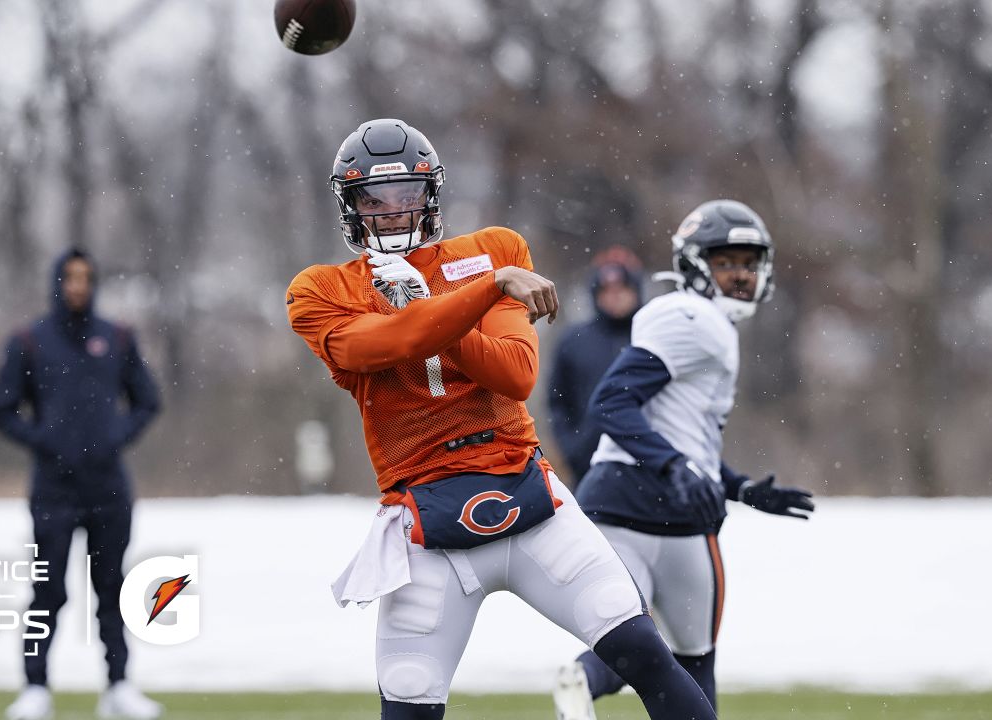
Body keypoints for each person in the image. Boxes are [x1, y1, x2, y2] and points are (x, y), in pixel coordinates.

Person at [286, 118, 716, 720]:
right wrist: (475, 297)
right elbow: (376, 348)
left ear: (431, 193)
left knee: (642, 651)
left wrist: (458, 297)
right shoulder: (321, 288)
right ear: (350, 206)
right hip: (424, 524)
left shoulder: (494, 253)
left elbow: (515, 374)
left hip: (528, 494)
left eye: (407, 195)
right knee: (409, 704)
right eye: (373, 200)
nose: (393, 212)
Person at [552, 200, 815, 719]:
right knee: (692, 665)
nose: (740, 273)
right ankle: (582, 678)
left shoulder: (700, 321)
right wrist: (673, 468)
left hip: (619, 500)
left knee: (645, 647)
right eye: (726, 261)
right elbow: (611, 402)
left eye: (747, 262)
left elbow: (679, 436)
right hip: (662, 511)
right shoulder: (695, 318)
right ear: (695, 263)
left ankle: (583, 677)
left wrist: (740, 488)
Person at [0, 249, 164, 720]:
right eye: (70, 278)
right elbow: (1, 410)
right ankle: (35, 687)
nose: (77, 286)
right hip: (53, 489)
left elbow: (148, 401)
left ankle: (119, 686)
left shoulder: (119, 338)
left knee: (112, 589)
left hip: (109, 488)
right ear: (57, 282)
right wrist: (44, 440)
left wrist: (113, 438)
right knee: (49, 588)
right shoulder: (29, 340)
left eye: (85, 278)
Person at [548, 248, 644, 485]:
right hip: (589, 468)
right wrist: (572, 448)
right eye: (607, 290)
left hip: (648, 464)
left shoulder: (651, 337)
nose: (615, 296)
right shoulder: (574, 340)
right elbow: (557, 402)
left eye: (622, 288)